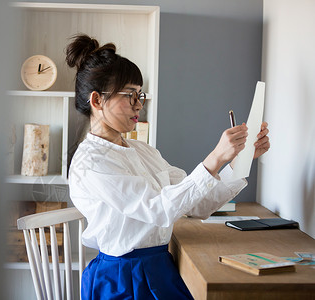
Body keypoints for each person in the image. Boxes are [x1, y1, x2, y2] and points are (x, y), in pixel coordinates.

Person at [65, 34, 270, 300]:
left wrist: (239, 160)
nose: (139, 104)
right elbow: (160, 209)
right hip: (124, 279)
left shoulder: (142, 151)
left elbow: (197, 204)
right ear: (97, 101)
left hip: (158, 267)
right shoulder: (91, 163)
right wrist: (216, 157)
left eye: (140, 94)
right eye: (129, 95)